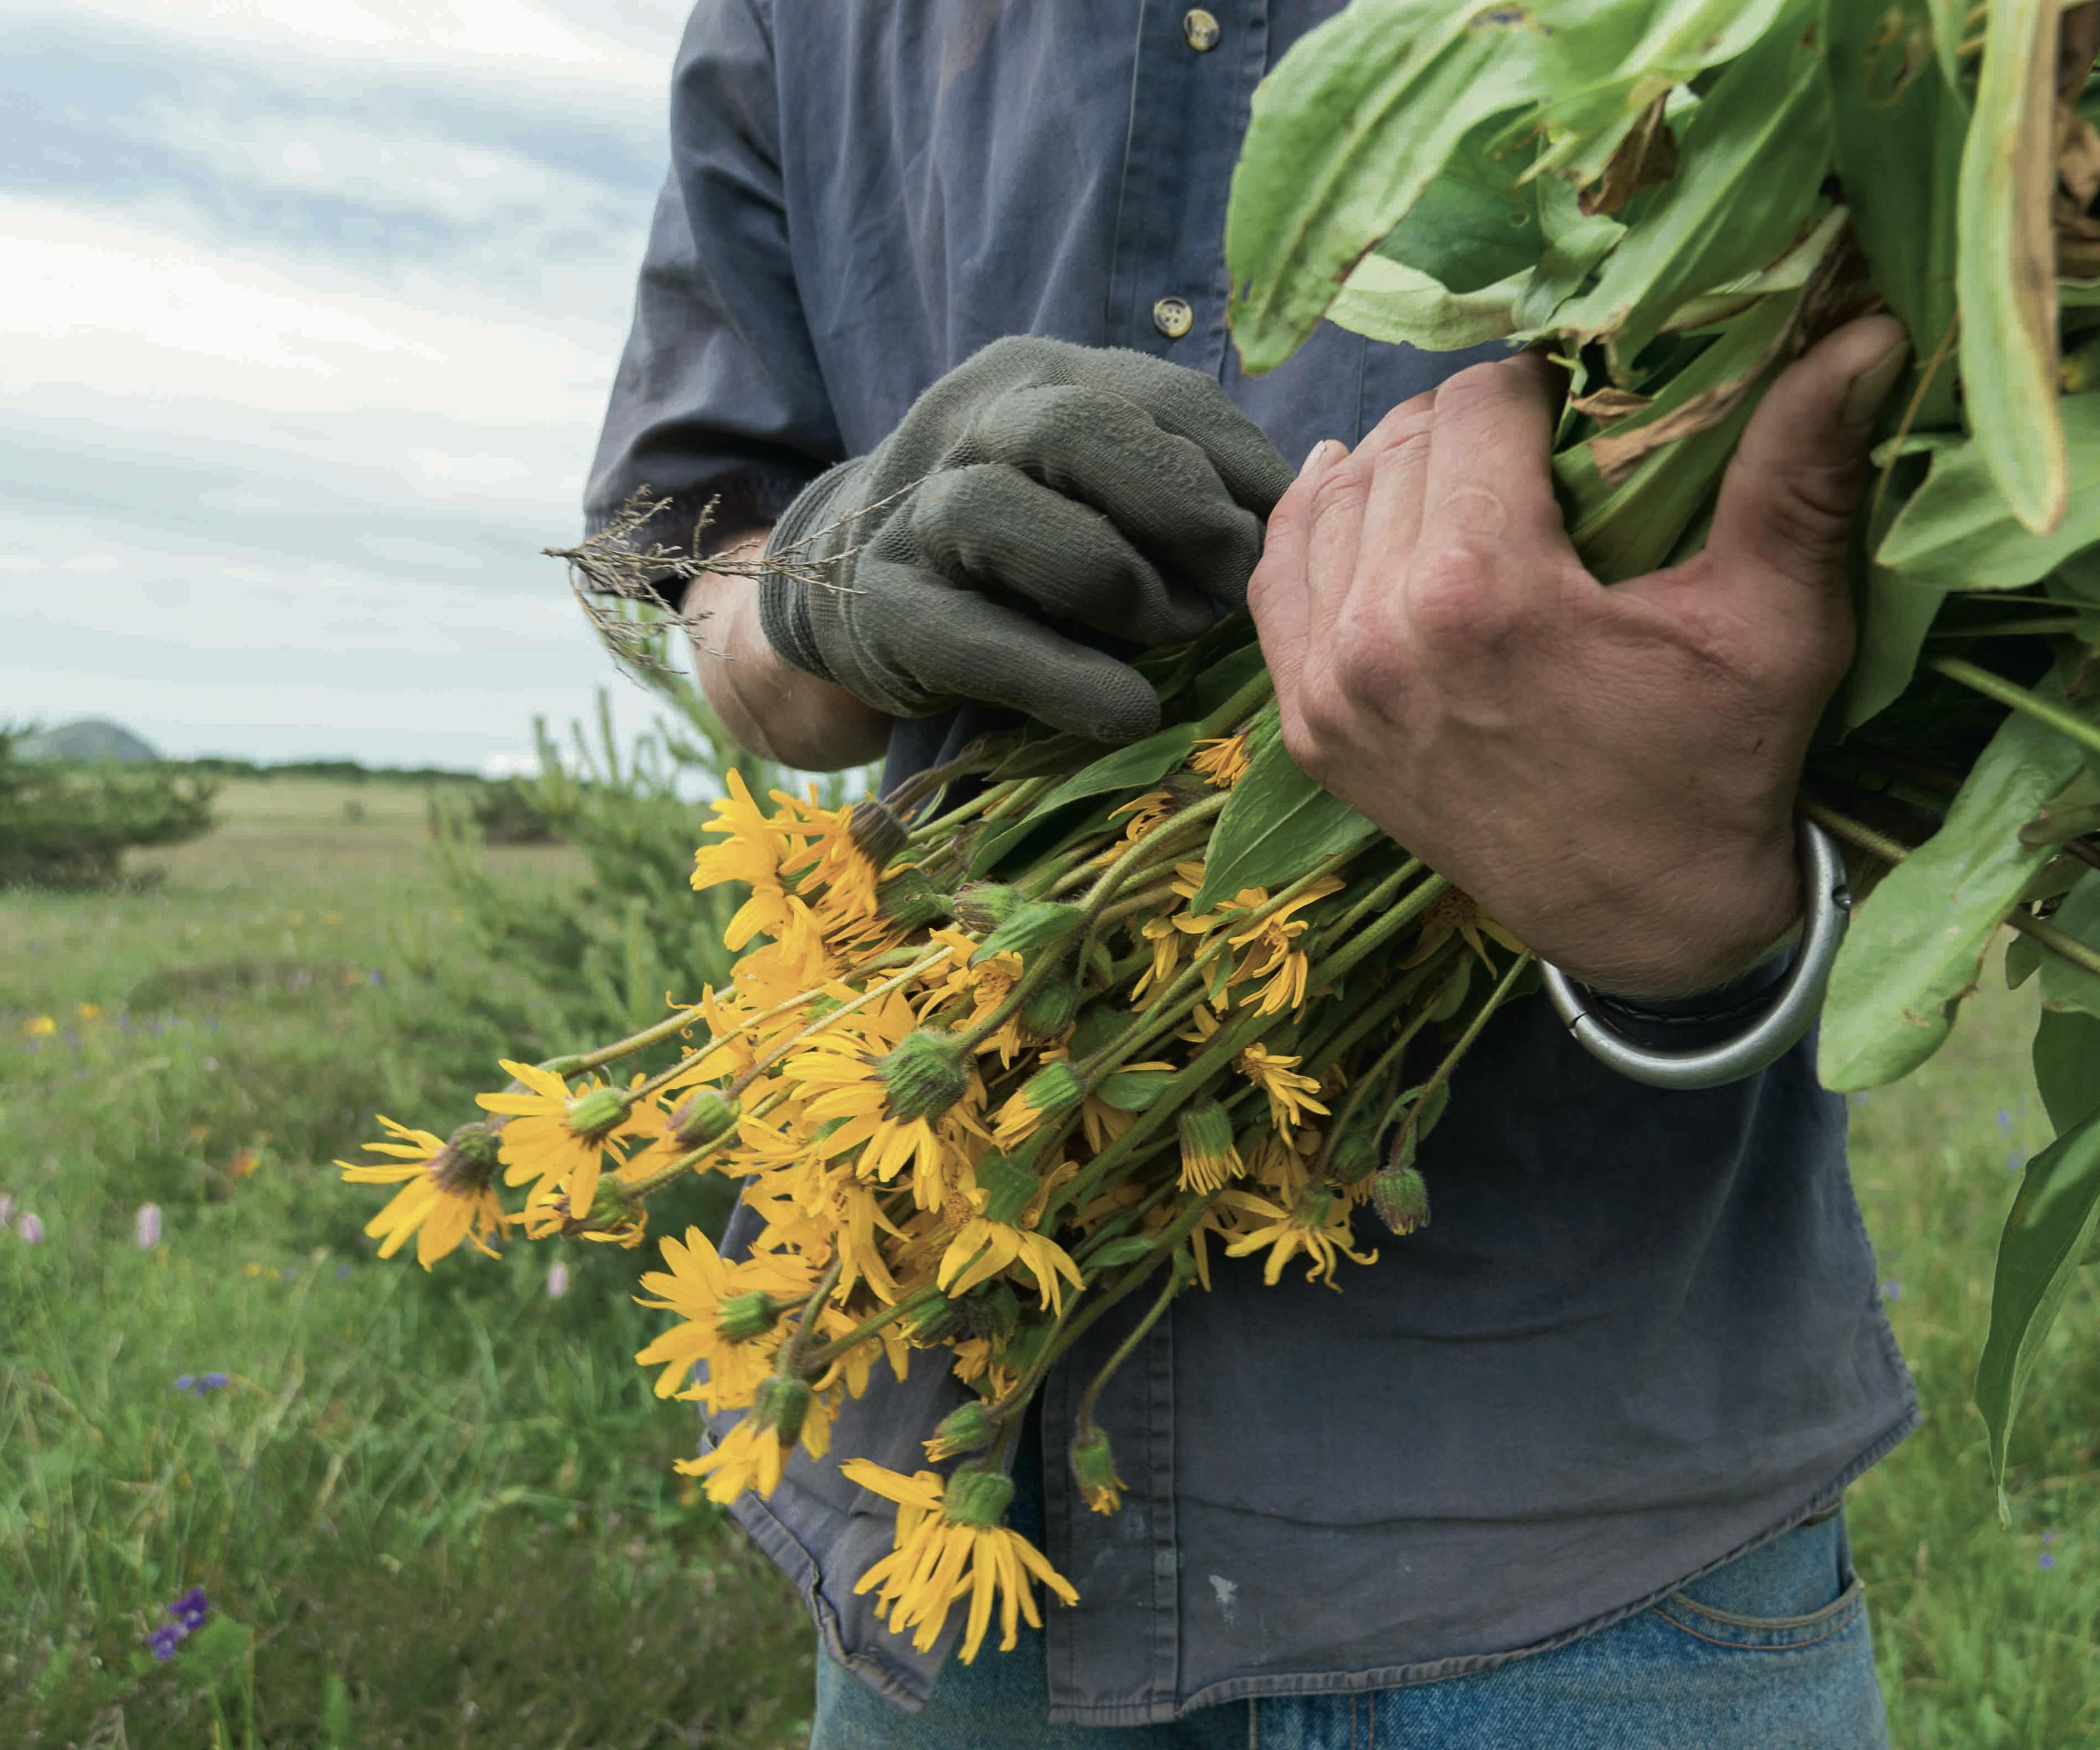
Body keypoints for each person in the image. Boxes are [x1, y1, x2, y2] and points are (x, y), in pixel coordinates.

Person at [585, 5, 1918, 1745]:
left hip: (1580, 1506)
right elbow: (688, 561)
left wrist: (1681, 892)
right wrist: (824, 583)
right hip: (948, 1475)